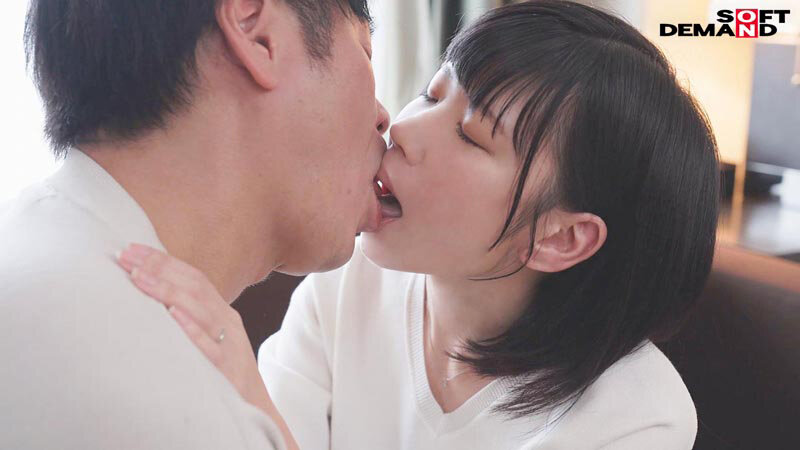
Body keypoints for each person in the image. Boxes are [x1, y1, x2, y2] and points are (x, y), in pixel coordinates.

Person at [121, 1, 720, 449]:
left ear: (559, 237)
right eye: (433, 96)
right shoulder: (345, 287)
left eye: (470, 135)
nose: (403, 129)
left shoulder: (636, 417)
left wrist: (242, 387)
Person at [0, 0, 388, 449]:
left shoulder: (29, 252)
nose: (383, 117)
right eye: (364, 51)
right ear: (258, 34)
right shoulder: (163, 398)